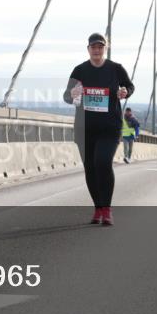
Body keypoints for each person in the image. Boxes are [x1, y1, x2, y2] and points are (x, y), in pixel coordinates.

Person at [64, 33, 134, 226]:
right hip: (84, 129)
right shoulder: (79, 70)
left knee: (102, 163)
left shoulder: (115, 69)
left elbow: (129, 85)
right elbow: (67, 97)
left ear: (105, 49)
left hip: (109, 128)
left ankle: (107, 209)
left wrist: (125, 91)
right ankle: (98, 209)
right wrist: (72, 93)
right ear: (88, 49)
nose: (97, 50)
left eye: (100, 47)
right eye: (93, 47)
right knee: (90, 169)